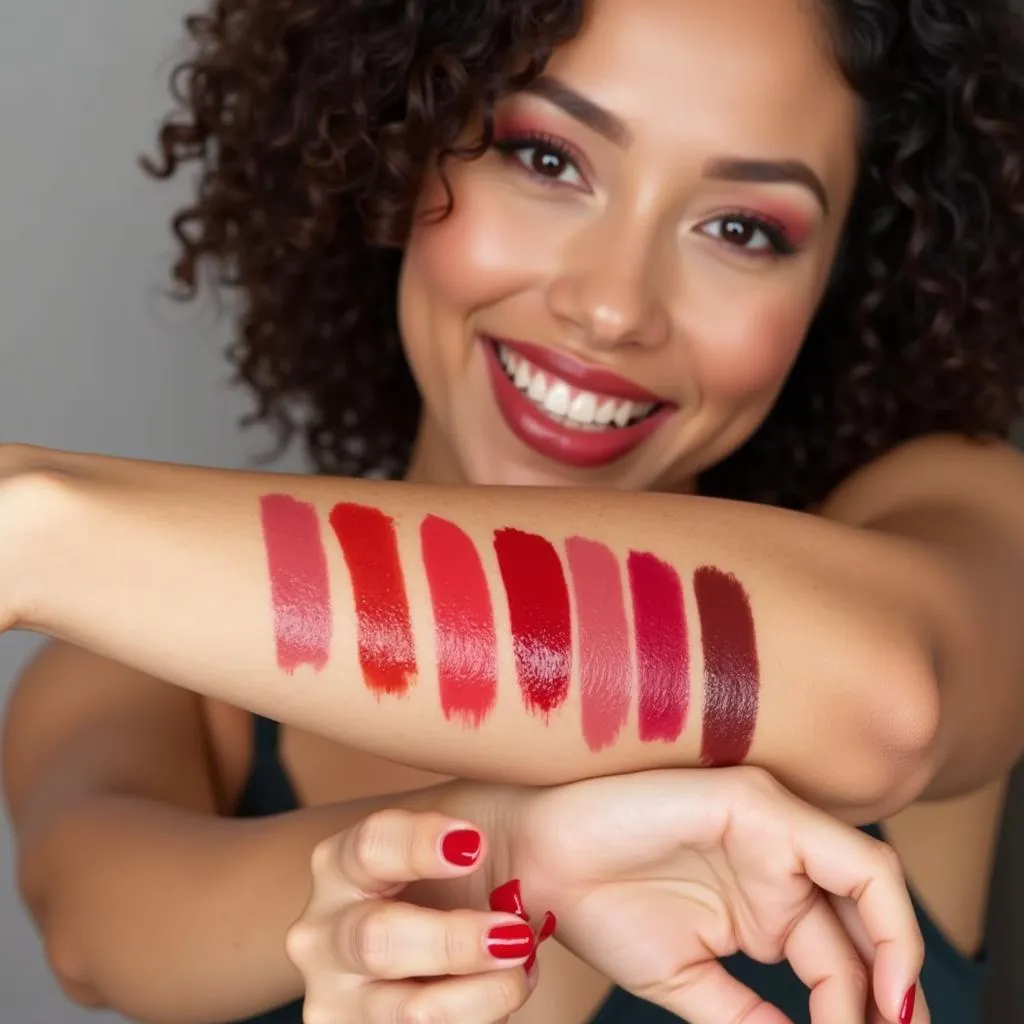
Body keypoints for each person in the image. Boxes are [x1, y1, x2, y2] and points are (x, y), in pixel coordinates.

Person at [3, 0, 1024, 1020]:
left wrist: (33, 529)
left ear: (840, 279)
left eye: (740, 228)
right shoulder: (153, 676)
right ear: (400, 142)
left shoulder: (955, 514)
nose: (614, 304)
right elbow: (97, 930)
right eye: (546, 160)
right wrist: (490, 851)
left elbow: (888, 699)